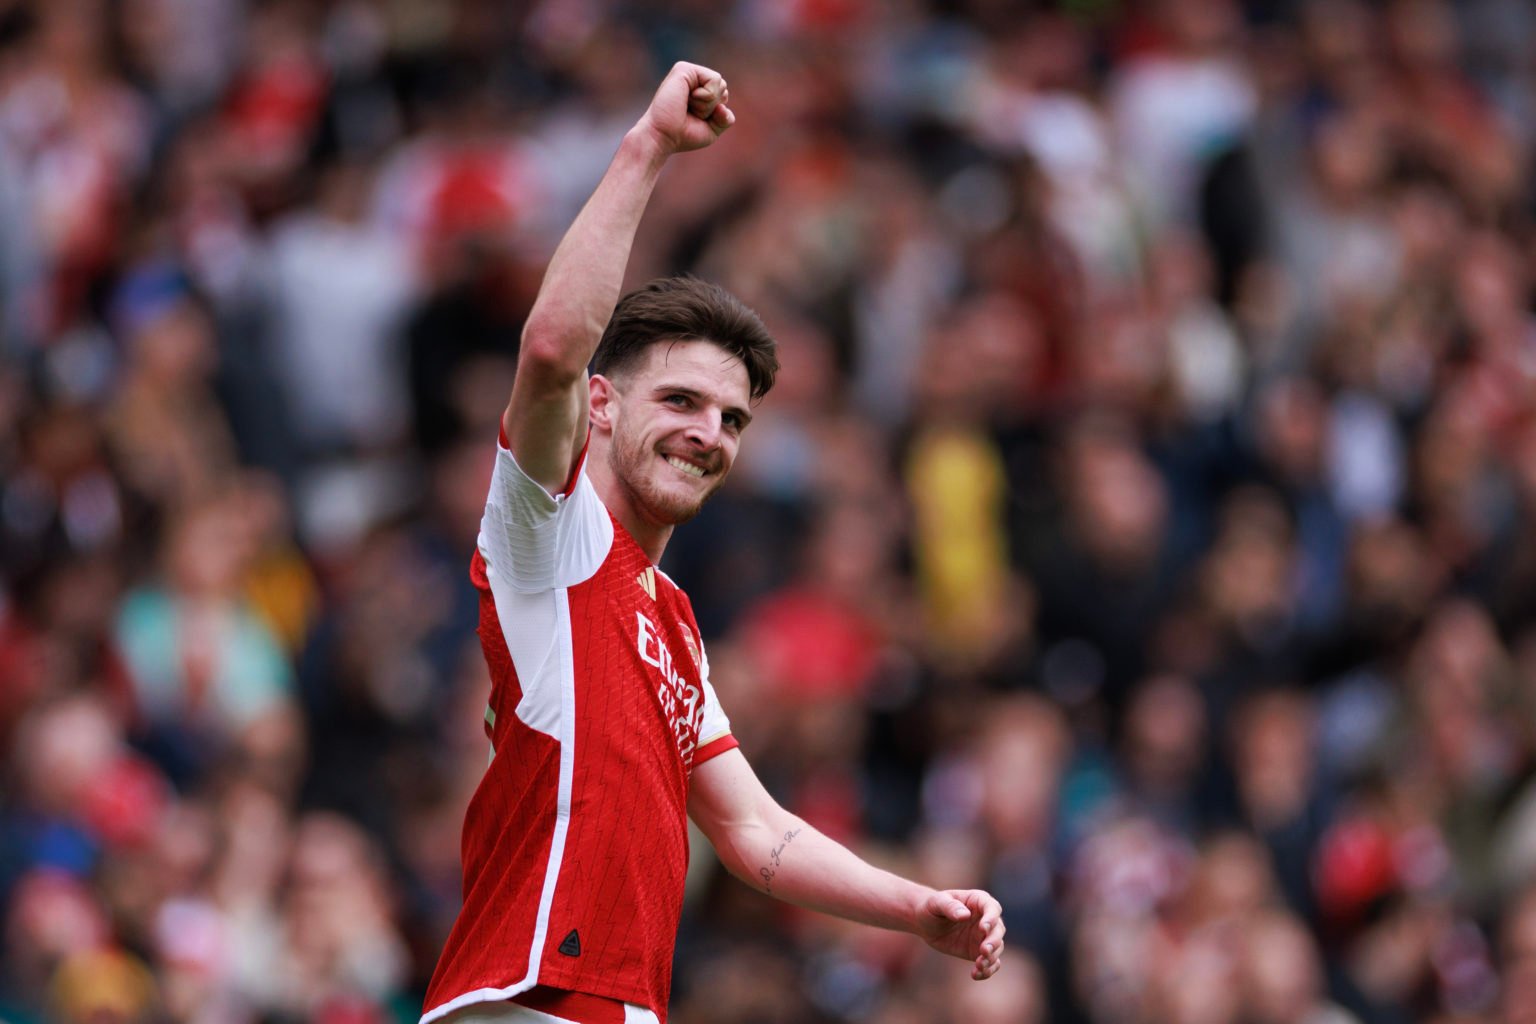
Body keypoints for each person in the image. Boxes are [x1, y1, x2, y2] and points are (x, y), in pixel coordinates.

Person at [420, 62, 1006, 1024]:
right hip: (528, 999)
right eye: (682, 401)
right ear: (601, 410)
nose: (709, 433)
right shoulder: (552, 540)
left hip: (616, 1005)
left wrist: (914, 909)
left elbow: (753, 830)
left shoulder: (676, 625)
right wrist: (647, 151)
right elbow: (554, 351)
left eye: (732, 419)